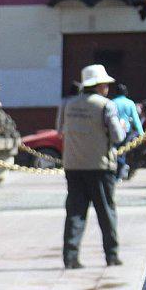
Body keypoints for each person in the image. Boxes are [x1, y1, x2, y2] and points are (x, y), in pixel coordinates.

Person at [57, 64, 126, 269]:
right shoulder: (106, 106)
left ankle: (70, 257)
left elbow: (60, 131)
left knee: (75, 213)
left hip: (73, 167)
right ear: (97, 86)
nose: (107, 88)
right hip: (100, 167)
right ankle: (111, 255)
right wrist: (122, 127)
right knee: (106, 213)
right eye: (105, 85)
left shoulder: (67, 104)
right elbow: (117, 137)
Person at [110, 82, 144, 180]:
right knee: (123, 151)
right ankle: (119, 175)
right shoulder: (130, 103)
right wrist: (141, 133)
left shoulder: (112, 102)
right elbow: (136, 119)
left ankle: (113, 172)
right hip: (126, 131)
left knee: (113, 151)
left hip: (114, 130)